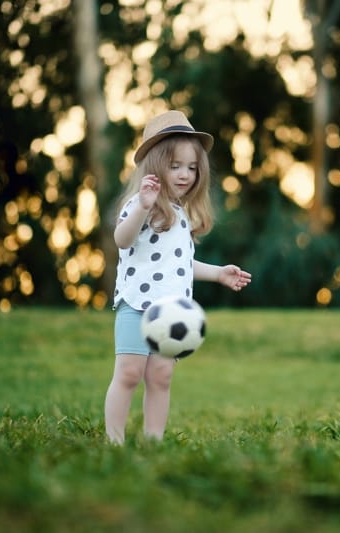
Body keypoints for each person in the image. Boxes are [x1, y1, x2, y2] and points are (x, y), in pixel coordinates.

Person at [105, 110, 252, 445]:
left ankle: (153, 440)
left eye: (192, 167)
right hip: (136, 304)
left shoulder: (183, 214)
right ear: (155, 165)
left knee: (161, 375)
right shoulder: (139, 204)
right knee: (128, 373)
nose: (185, 174)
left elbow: (181, 264)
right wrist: (143, 206)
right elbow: (122, 240)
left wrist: (218, 274)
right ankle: (113, 441)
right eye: (175, 166)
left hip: (171, 311)